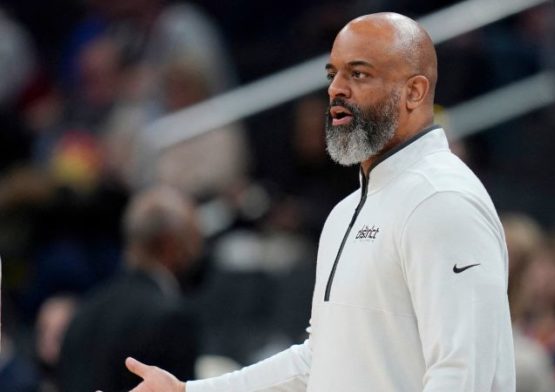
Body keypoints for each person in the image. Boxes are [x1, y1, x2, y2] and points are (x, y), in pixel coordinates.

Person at [125, 12, 515, 391]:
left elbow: (462, 373)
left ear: (413, 92)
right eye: (333, 74)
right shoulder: (347, 211)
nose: (335, 89)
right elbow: (319, 360)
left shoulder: (441, 199)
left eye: (358, 73)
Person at [58, 186, 202, 391]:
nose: (198, 250)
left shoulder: (84, 310)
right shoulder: (171, 318)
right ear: (171, 245)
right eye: (194, 238)